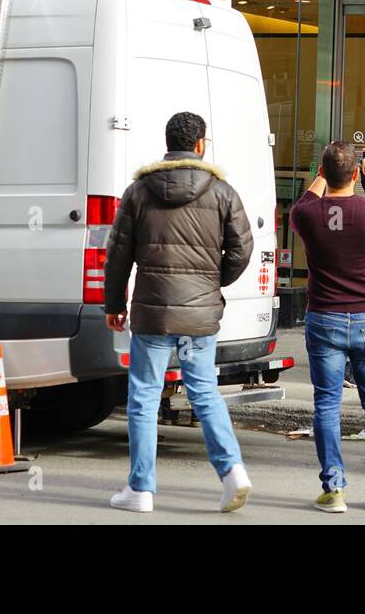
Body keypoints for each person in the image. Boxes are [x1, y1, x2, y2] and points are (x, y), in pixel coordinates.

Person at [103, 111, 254, 514]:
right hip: (199, 316)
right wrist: (211, 283)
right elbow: (243, 248)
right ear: (201, 144)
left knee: (144, 397)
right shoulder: (222, 191)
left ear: (167, 143)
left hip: (152, 314)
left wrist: (114, 304)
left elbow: (117, 255)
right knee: (204, 391)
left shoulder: (138, 191)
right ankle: (232, 471)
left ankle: (141, 490)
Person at [290, 141, 365, 513]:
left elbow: (301, 206)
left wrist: (323, 177)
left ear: (322, 174)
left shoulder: (308, 214)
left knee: (327, 403)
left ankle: (334, 488)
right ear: (355, 174)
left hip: (325, 316)